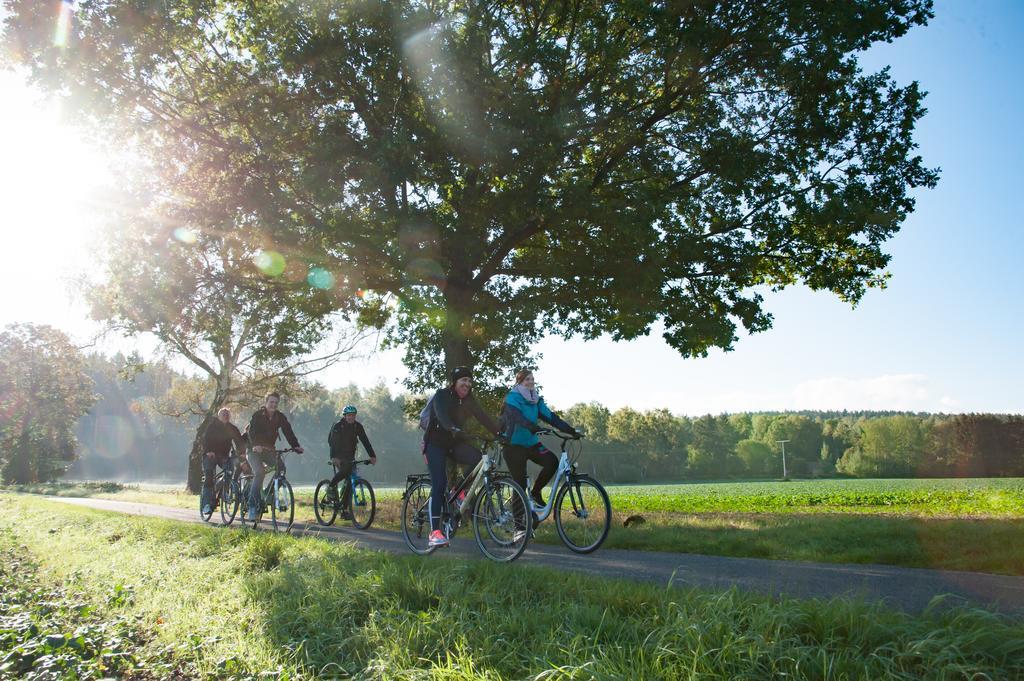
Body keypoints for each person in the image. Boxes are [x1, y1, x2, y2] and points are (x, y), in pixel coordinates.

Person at [423, 366, 502, 547]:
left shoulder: (468, 400)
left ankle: (458, 490)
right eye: (463, 380)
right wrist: (452, 427)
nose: (467, 384)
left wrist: (499, 433)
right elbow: (441, 414)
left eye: (469, 380)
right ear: (455, 382)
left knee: (476, 458)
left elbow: (483, 417)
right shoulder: (442, 394)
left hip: (452, 442)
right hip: (435, 443)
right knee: (439, 482)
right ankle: (435, 532)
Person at [502, 369, 579, 510]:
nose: (531, 382)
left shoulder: (535, 400)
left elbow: (551, 417)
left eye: (532, 379)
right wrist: (532, 427)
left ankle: (536, 492)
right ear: (519, 382)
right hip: (514, 447)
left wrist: (570, 430)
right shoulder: (512, 398)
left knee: (552, 462)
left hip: (531, 444)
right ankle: (519, 525)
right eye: (527, 379)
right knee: (520, 484)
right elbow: (517, 417)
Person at [245, 392, 303, 520]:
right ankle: (252, 506)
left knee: (281, 469)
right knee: (260, 472)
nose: (273, 405)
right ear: (266, 403)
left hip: (269, 450)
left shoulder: (280, 417)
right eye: (271, 402)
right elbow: (252, 432)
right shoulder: (258, 415)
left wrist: (296, 445)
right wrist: (255, 445)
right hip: (254, 450)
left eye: (276, 403)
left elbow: (288, 431)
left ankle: (267, 494)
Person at [326, 405, 377, 518]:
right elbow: (332, 442)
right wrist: (334, 457)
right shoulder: (338, 426)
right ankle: (330, 486)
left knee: (351, 480)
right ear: (344, 416)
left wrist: (372, 456)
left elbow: (365, 441)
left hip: (350, 456)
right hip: (338, 454)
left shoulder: (357, 426)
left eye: (353, 415)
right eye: (348, 415)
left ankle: (344, 510)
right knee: (345, 470)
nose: (351, 417)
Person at [201, 407, 246, 516]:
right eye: (223, 414)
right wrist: (208, 451)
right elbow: (205, 439)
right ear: (219, 416)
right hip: (210, 455)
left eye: (227, 414)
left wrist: (242, 453)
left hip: (224, 456)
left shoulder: (232, 428)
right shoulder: (212, 426)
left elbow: (239, 442)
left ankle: (222, 491)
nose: (226, 416)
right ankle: (206, 504)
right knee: (209, 476)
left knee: (229, 473)